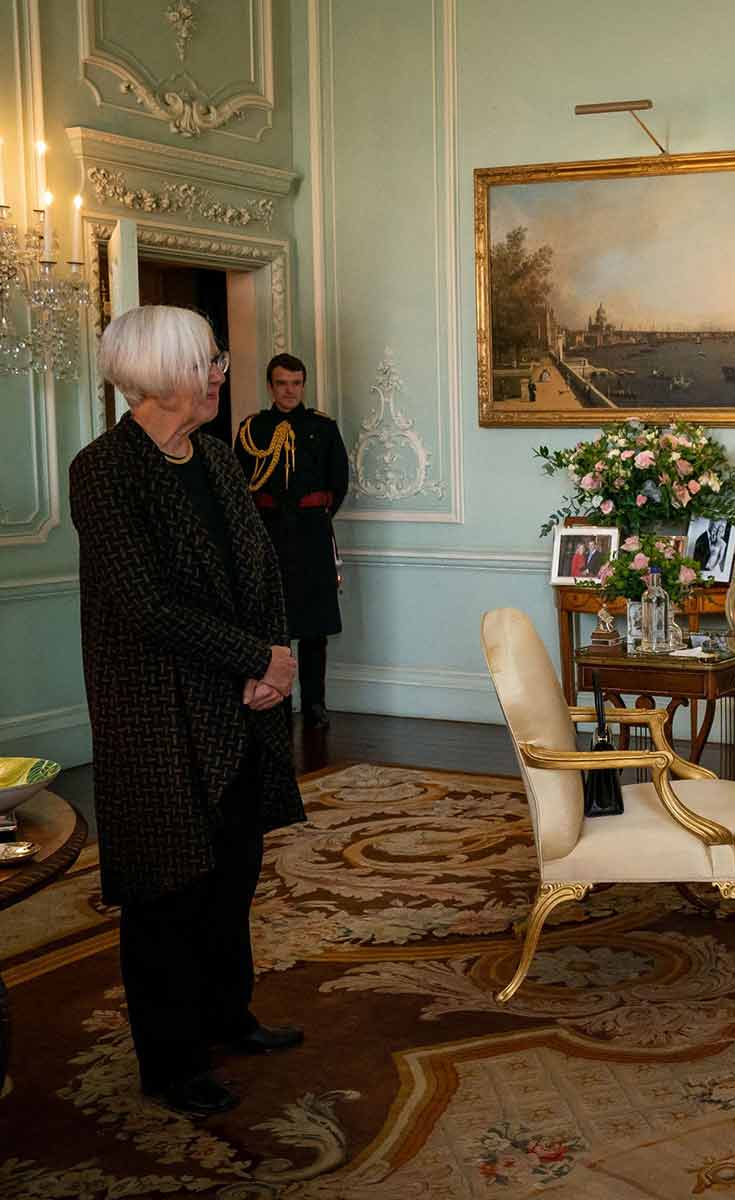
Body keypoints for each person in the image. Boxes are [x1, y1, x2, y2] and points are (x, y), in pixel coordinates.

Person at [69, 306, 307, 1119]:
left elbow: (260, 571)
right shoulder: (104, 470)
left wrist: (275, 659)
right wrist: (257, 660)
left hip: (239, 703)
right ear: (166, 369)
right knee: (167, 890)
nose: (219, 374)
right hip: (157, 713)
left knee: (234, 872)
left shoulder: (211, 456)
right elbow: (146, 605)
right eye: (208, 361)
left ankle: (226, 1017)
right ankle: (169, 1062)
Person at [235, 353, 349, 730]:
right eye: (282, 383)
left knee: (314, 629)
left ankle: (316, 703)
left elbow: (339, 483)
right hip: (268, 537)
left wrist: (316, 520)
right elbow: (239, 487)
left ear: (303, 385)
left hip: (312, 535)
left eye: (296, 383)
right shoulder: (253, 430)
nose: (289, 390)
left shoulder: (323, 428)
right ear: (271, 386)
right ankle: (277, 702)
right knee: (274, 627)